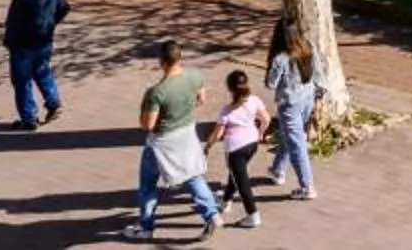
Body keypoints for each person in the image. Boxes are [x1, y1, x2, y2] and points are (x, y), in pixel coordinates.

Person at [124, 39, 221, 241]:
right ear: (179, 57)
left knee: (148, 185)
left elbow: (148, 125)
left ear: (162, 61)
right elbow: (202, 99)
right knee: (192, 175)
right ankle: (211, 214)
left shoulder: (156, 92)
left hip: (162, 144)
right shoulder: (194, 76)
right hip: (186, 135)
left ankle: (146, 226)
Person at [2, 0, 72, 129]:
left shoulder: (21, 0)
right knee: (42, 71)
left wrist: (9, 43)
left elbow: (13, 26)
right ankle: (53, 103)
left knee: (22, 81)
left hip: (23, 47)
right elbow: (64, 7)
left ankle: (29, 118)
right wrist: (51, 24)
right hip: (43, 43)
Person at [263, 19, 317, 201]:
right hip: (307, 98)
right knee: (291, 136)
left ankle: (307, 187)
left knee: (296, 144)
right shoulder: (309, 48)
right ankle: (278, 169)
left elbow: (271, 84)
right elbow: (317, 73)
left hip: (289, 105)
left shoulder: (281, 59)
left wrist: (271, 70)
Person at [212, 69, 266, 230]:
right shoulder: (255, 100)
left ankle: (253, 215)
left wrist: (207, 146)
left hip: (235, 149)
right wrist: (261, 133)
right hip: (252, 144)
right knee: (236, 174)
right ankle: (225, 201)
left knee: (242, 181)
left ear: (230, 88)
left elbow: (217, 134)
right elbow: (266, 119)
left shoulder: (227, 110)